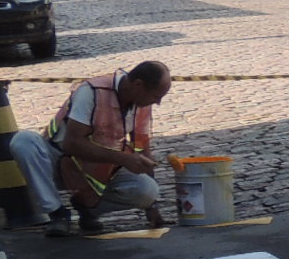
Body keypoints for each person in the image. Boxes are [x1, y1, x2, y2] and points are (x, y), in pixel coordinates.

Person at [10, 59, 172, 236]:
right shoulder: (91, 92)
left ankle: (88, 209)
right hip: (59, 160)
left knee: (147, 191)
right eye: (156, 96)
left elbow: (142, 149)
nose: (157, 103)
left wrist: (152, 206)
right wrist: (123, 158)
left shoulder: (141, 104)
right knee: (23, 141)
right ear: (138, 85)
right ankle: (56, 212)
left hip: (98, 168)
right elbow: (72, 144)